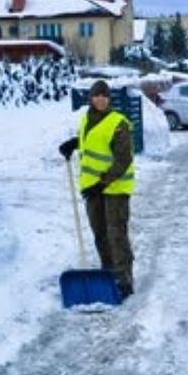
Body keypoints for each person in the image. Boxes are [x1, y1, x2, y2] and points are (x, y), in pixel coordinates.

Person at [57, 80, 137, 299]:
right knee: (100, 234)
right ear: (91, 98)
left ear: (109, 99)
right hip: (93, 189)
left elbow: (123, 159)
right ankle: (108, 275)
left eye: (104, 95)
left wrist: (102, 184)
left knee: (116, 235)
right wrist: (74, 143)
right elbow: (92, 143)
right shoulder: (87, 119)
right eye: (96, 95)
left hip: (114, 188)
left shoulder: (118, 123)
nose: (100, 99)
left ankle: (124, 280)